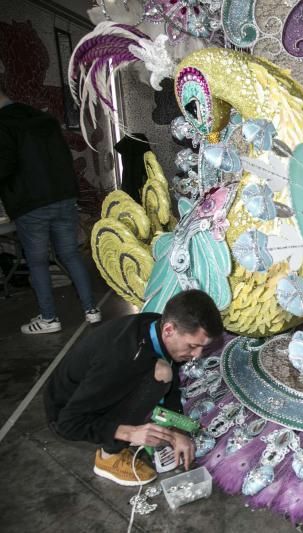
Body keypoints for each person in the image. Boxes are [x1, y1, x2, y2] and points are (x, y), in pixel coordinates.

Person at [44, 289, 224, 486]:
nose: (197, 355)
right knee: (160, 373)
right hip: (65, 411)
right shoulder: (121, 360)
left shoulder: (156, 326)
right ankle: (109, 457)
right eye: (191, 346)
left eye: (202, 347)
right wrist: (129, 433)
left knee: (164, 371)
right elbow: (67, 424)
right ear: (169, 330)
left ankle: (129, 427)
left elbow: (172, 382)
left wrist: (176, 428)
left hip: (99, 386)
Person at [0, 83, 101, 334]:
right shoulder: (44, 119)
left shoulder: (3, 125)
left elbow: (4, 165)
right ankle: (91, 310)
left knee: (37, 262)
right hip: (64, 197)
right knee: (70, 254)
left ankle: (48, 318)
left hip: (31, 203)